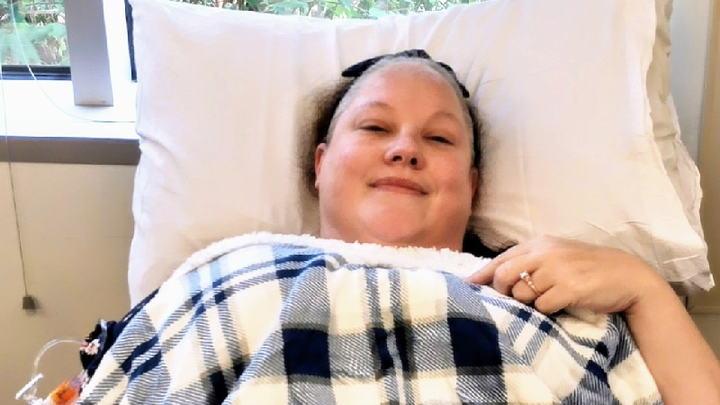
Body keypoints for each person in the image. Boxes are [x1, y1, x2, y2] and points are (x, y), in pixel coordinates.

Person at [302, 49, 720, 403]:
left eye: (439, 138)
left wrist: (646, 291)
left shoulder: (568, 304)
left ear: (471, 186)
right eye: (375, 127)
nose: (405, 149)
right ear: (321, 163)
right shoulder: (259, 262)